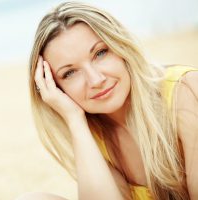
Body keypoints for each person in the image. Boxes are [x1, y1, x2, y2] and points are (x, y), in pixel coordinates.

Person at [16, 1, 198, 200]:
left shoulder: (186, 89)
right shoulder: (92, 132)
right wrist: (75, 121)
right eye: (69, 73)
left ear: (120, 46)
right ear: (56, 87)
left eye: (100, 53)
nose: (96, 80)